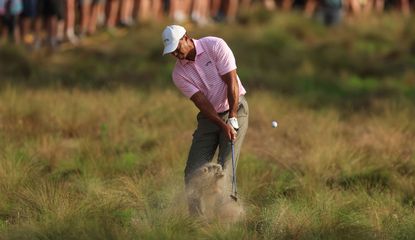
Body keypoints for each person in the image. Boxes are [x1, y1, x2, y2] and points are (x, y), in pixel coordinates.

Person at [161, 25, 249, 215]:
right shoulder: (179, 74)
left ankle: (227, 216)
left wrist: (232, 117)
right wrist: (221, 124)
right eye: (171, 52)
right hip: (210, 118)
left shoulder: (215, 45)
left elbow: (231, 81)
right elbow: (202, 103)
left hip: (236, 108)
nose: (175, 54)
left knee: (225, 167)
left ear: (186, 37)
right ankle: (196, 221)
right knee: (193, 170)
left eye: (177, 48)